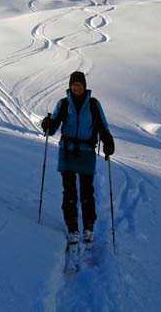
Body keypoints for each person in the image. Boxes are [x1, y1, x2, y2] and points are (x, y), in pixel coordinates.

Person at [41, 71, 115, 250]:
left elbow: (102, 126)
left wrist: (108, 142)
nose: (76, 88)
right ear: (70, 86)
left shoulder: (94, 104)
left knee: (87, 192)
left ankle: (88, 226)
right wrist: (48, 124)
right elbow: (53, 128)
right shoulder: (64, 103)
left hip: (86, 152)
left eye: (79, 85)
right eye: (74, 85)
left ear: (84, 86)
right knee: (69, 192)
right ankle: (72, 226)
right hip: (67, 151)